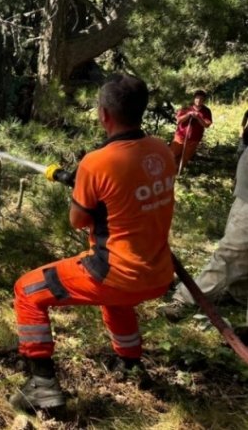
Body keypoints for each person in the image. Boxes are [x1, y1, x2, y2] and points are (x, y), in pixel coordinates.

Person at [10, 74, 177, 411]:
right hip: (158, 274)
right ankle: (130, 364)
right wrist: (87, 183)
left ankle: (42, 384)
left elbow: (79, 220)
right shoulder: (161, 150)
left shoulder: (96, 163)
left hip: (116, 275)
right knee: (115, 300)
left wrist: (82, 184)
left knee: (27, 290)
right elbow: (127, 195)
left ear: (104, 114)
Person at [159, 149, 248, 322]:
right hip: (245, 192)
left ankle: (185, 299)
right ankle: (240, 292)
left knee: (231, 252)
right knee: (239, 249)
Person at [169, 90, 212, 171]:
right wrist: (188, 115)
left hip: (194, 139)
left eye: (201, 99)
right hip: (180, 136)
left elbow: (206, 125)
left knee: (185, 157)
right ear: (194, 98)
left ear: (204, 100)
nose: (198, 100)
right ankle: (166, 170)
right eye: (197, 98)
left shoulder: (206, 111)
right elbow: (178, 120)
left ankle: (176, 173)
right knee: (172, 154)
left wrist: (198, 117)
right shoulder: (186, 108)